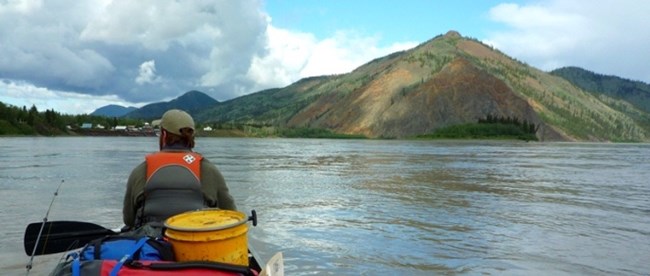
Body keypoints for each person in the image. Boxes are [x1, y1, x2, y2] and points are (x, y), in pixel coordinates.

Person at [122, 109, 236, 230]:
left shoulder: (141, 170)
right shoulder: (209, 170)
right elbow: (231, 216)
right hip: (196, 243)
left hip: (151, 245)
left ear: (164, 135)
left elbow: (129, 219)